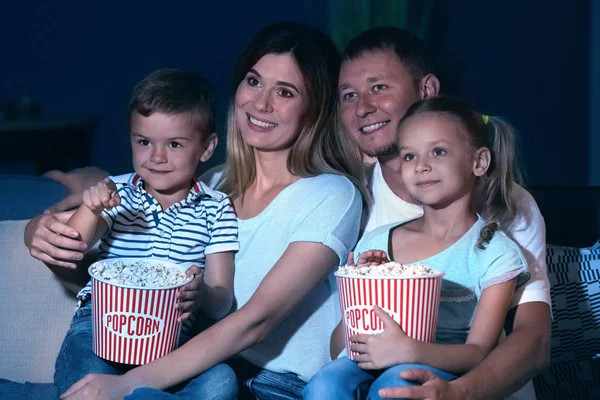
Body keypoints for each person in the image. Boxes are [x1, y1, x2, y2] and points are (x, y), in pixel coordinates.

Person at [20, 22, 367, 400]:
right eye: (253, 81)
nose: (261, 103)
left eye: (285, 92)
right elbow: (110, 266)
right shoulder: (212, 185)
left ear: (314, 109)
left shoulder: (332, 194)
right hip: (186, 369)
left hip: (272, 387)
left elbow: (255, 322)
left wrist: (127, 383)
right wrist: (38, 231)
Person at [334, 27, 551, 400]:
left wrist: (455, 393)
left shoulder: (509, 204)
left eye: (379, 87)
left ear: (427, 89)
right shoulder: (348, 202)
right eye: (349, 95)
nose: (362, 107)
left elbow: (534, 340)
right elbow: (343, 339)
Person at [3, 69, 242, 400]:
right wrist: (91, 209)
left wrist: (202, 294)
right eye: (143, 142)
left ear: (206, 147)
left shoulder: (216, 208)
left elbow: (223, 299)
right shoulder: (117, 192)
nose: (156, 157)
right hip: (100, 330)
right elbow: (75, 243)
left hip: (172, 345)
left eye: (174, 144)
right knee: (93, 379)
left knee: (222, 381)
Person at [305, 96, 531, 399]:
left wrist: (409, 350)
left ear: (479, 162)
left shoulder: (495, 253)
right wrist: (359, 289)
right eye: (409, 156)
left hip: (442, 370)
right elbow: (338, 347)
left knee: (395, 384)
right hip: (370, 360)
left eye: (438, 152)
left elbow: (477, 353)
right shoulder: (376, 243)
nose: (421, 166)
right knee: (326, 382)